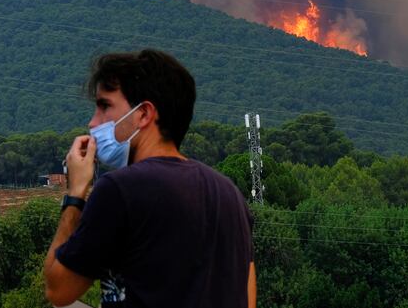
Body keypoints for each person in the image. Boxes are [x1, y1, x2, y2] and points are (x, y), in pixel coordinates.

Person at [43, 49, 255, 307]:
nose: (93, 122)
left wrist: (76, 193)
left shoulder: (119, 190)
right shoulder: (231, 196)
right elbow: (247, 295)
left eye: (104, 106)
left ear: (144, 114)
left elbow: (58, 289)